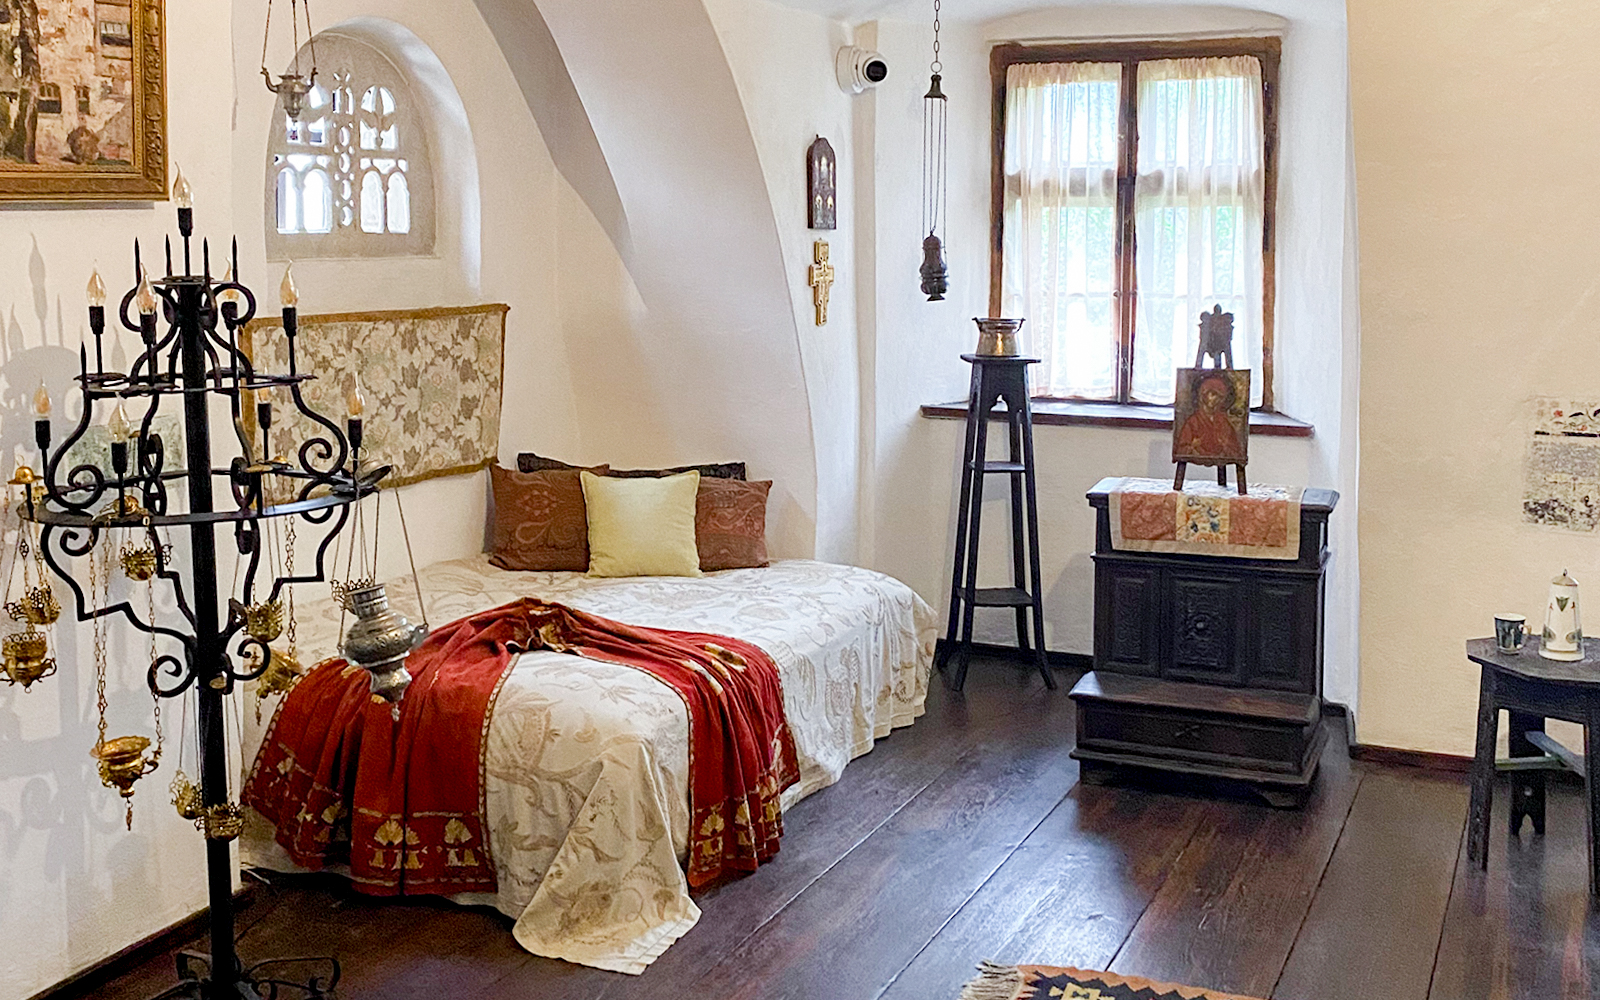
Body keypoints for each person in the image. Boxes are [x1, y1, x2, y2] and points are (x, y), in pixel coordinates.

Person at [1176, 373, 1242, 459]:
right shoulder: (1193, 422)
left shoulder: (1224, 422)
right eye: (1213, 394)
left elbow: (1235, 451)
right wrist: (1192, 446)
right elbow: (1181, 449)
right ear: (1203, 395)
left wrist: (1225, 445)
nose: (1216, 399)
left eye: (1219, 396)